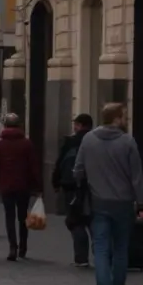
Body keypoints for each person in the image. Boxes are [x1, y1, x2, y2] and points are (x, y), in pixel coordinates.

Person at [74, 104, 143, 285]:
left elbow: (78, 170)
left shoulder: (88, 139)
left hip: (98, 202)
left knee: (102, 249)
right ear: (116, 118)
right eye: (124, 116)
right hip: (124, 203)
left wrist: (89, 180)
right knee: (121, 249)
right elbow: (137, 176)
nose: (126, 119)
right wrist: (141, 202)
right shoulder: (127, 141)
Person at [0, 112, 41, 262]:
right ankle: (23, 247)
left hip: (6, 185)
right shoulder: (26, 143)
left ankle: (12, 247)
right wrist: (37, 185)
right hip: (24, 185)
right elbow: (33, 166)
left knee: (9, 217)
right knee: (23, 217)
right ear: (19, 126)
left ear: (5, 126)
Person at [54, 113, 94, 268]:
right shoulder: (95, 141)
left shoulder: (70, 142)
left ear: (80, 125)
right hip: (92, 186)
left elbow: (59, 162)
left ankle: (81, 258)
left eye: (76, 124)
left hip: (71, 186)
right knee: (93, 220)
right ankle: (102, 254)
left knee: (75, 221)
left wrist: (56, 182)